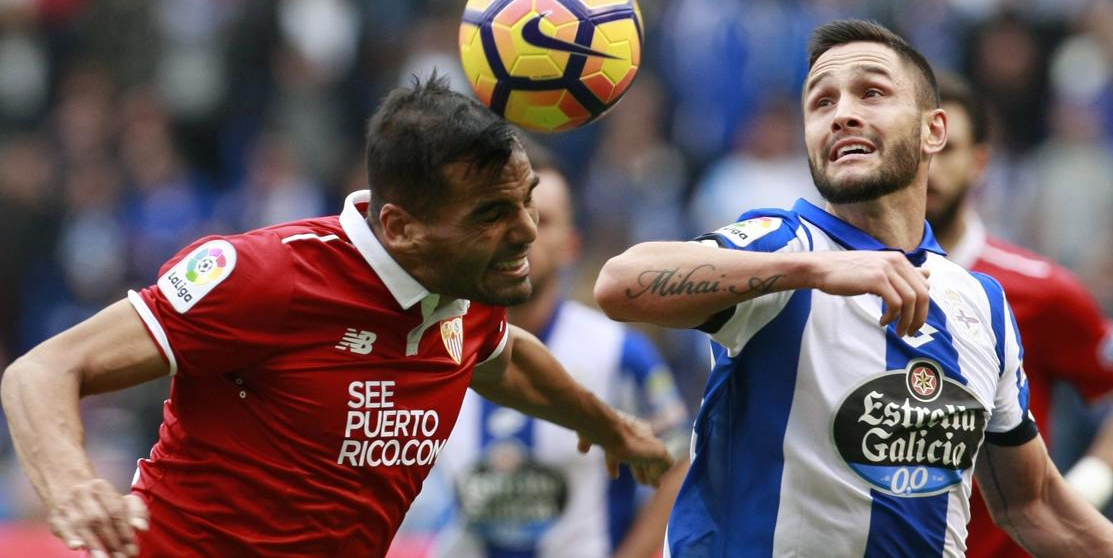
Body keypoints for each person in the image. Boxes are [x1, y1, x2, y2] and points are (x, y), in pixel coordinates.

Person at [0, 74, 673, 558]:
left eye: (526, 202)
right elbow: (40, 370)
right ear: (401, 227)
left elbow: (504, 360)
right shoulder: (264, 277)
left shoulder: (462, 294)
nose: (527, 232)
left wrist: (609, 428)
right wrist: (73, 489)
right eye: (493, 215)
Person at [594, 19, 1113, 557]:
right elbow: (619, 284)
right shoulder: (781, 246)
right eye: (821, 102)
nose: (842, 114)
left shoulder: (981, 305)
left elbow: (1035, 507)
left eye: (871, 93)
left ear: (934, 130)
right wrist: (813, 272)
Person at [925, 72, 1113, 557]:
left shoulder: (1036, 289)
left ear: (980, 162)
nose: (928, 166)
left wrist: (1087, 485)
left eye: (946, 148)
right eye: (917, 148)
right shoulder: (845, 278)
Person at [412, 144, 692, 558]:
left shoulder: (620, 352)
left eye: (542, 221)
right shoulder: (440, 344)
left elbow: (678, 466)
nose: (521, 234)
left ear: (571, 245)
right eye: (499, 216)